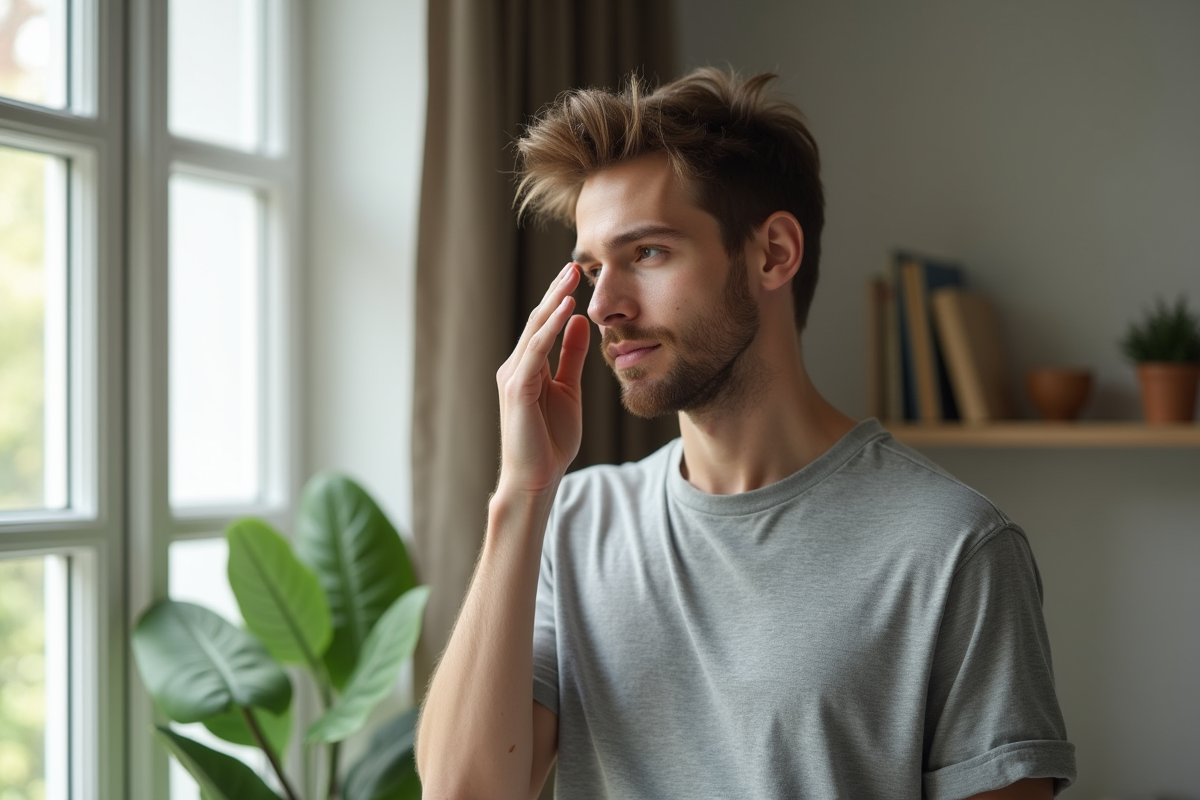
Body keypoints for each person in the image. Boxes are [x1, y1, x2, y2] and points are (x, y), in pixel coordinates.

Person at [415, 68, 1075, 800]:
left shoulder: (955, 547)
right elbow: (464, 791)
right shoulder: (572, 524)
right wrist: (522, 492)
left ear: (774, 254)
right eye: (592, 268)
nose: (604, 305)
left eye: (648, 253)